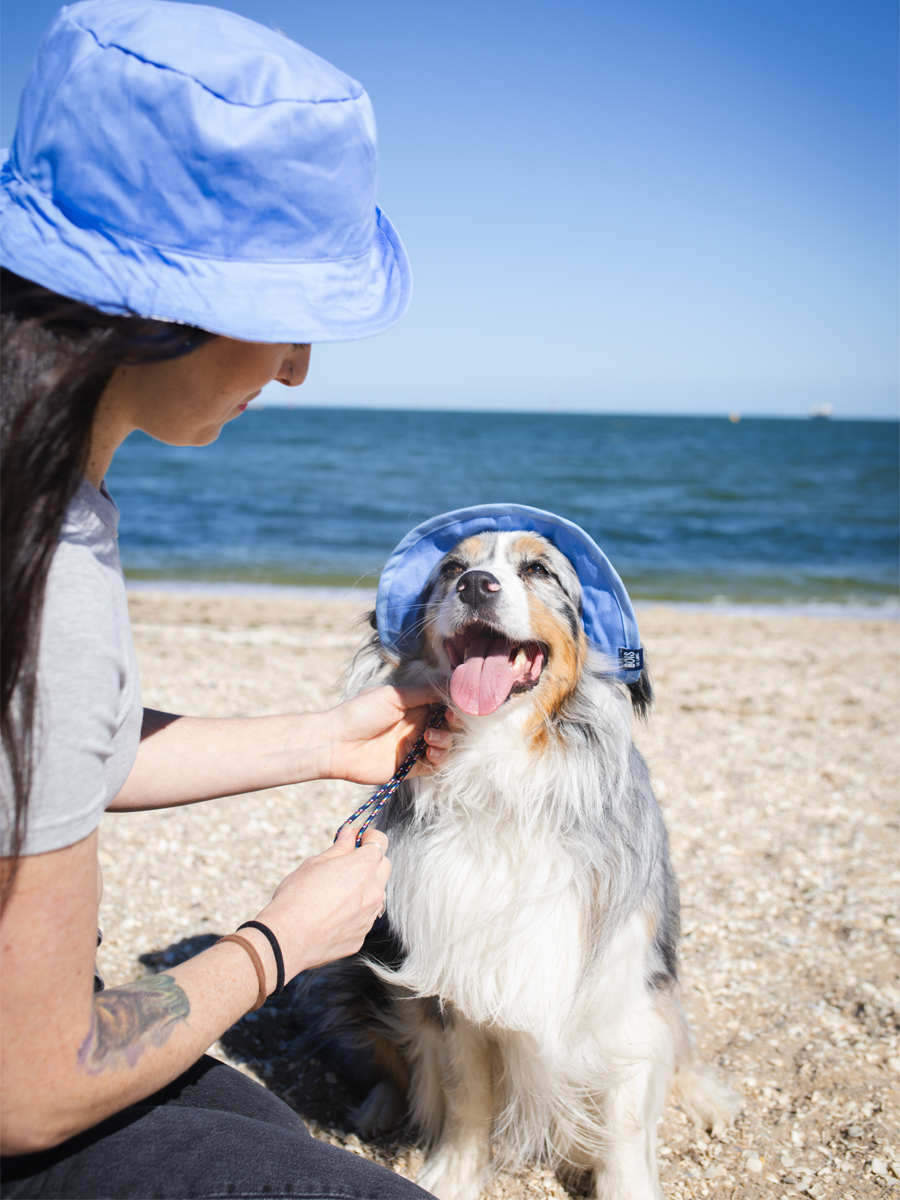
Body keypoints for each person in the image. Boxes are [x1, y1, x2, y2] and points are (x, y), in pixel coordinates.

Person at [0, 3, 452, 1196]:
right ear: (155, 305)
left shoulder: (39, 490)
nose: (300, 366)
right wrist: (278, 943)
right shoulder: (41, 569)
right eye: (285, 316)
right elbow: (34, 1085)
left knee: (264, 1138)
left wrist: (320, 743)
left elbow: (48, 754)